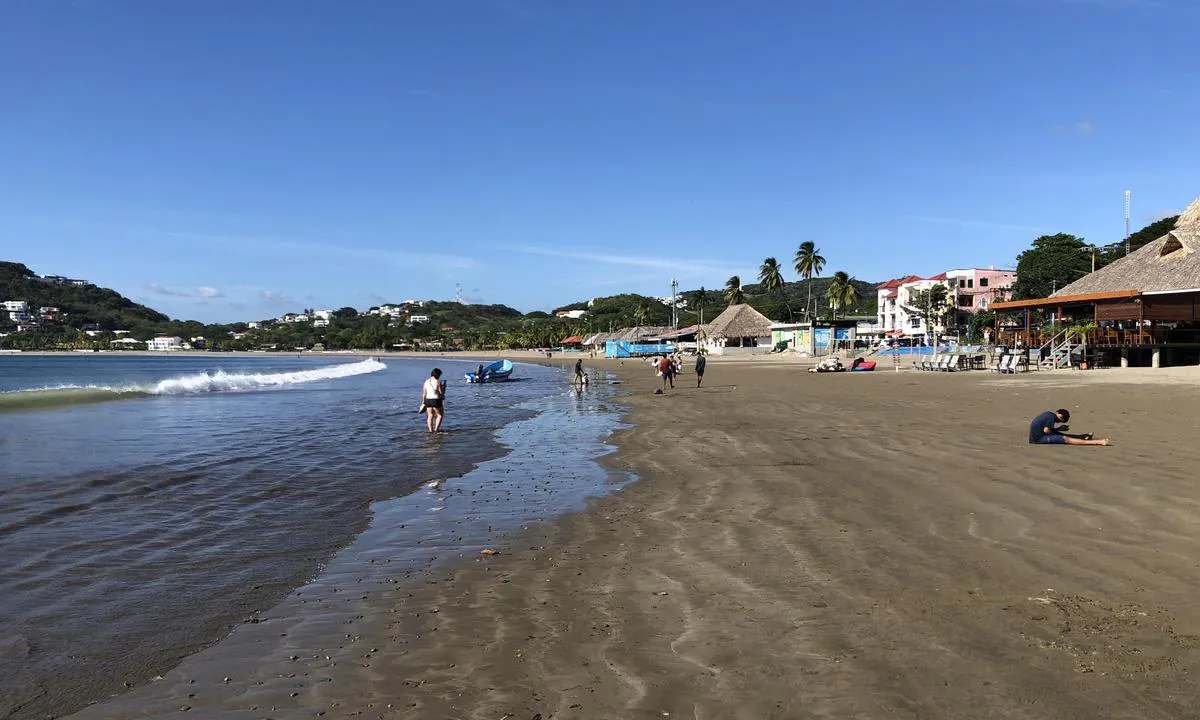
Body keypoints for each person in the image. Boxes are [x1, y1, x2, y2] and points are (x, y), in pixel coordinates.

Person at [1028, 408, 1109, 446]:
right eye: (1060, 420)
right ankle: (1098, 442)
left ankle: (1084, 436)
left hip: (1038, 435)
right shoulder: (1051, 417)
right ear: (1060, 416)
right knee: (1066, 439)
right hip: (1037, 439)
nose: (1058, 421)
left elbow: (1046, 429)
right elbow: (1046, 430)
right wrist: (1058, 432)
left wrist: (1058, 430)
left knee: (1061, 434)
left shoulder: (1049, 414)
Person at [421, 368, 446, 433]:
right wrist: (444, 387)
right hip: (436, 399)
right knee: (440, 415)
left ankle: (430, 430)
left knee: (430, 415)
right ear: (438, 374)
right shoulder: (438, 381)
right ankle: (436, 430)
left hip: (427, 400)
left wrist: (423, 402)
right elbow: (441, 392)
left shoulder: (426, 381)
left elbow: (424, 393)